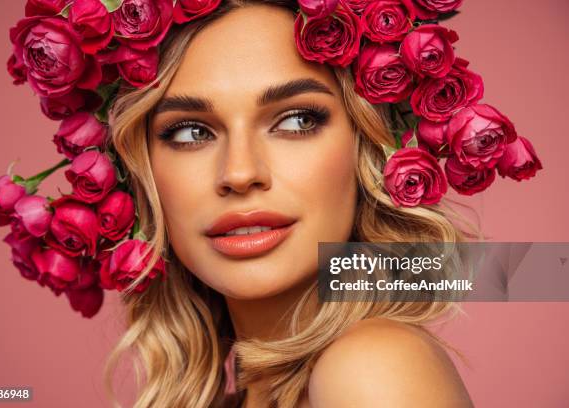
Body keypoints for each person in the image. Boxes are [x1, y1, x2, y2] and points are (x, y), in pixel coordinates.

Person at [104, 0, 473, 406]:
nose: (240, 173)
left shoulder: (371, 366)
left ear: (367, 147)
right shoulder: (240, 397)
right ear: (142, 172)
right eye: (191, 132)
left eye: (297, 120)